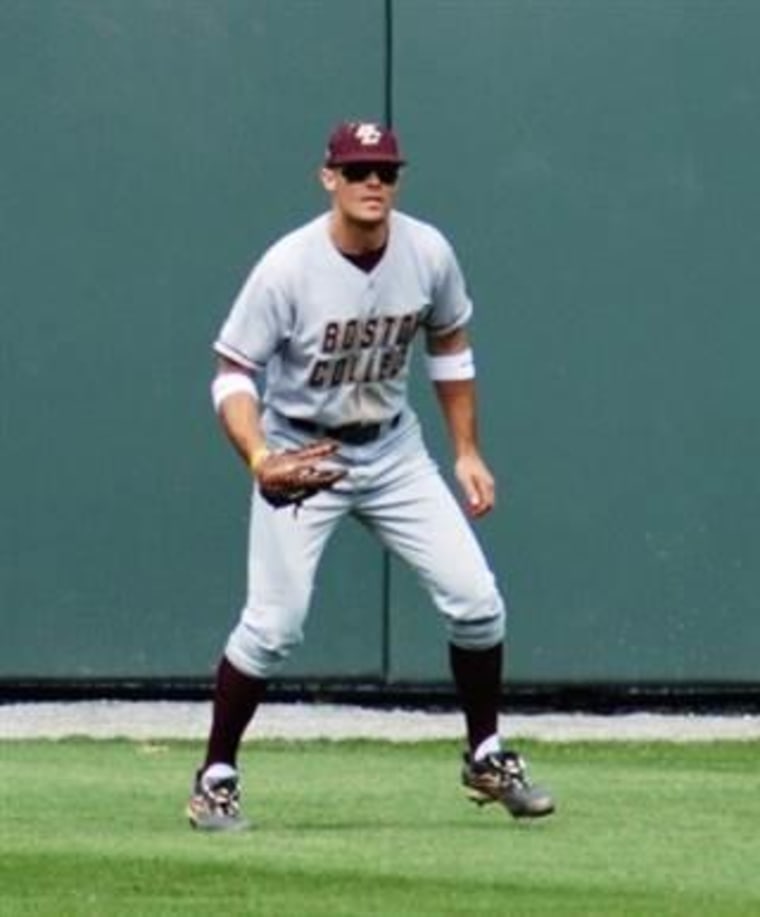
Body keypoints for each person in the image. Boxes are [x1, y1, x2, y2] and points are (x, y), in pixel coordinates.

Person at [187, 120, 555, 830]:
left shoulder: (427, 251)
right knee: (273, 626)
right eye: (357, 172)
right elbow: (232, 371)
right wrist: (261, 455)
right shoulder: (289, 266)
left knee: (477, 602)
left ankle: (486, 754)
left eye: (385, 171)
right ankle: (215, 777)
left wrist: (467, 450)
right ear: (329, 178)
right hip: (304, 453)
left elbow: (449, 340)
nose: (372, 184)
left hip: (393, 450)